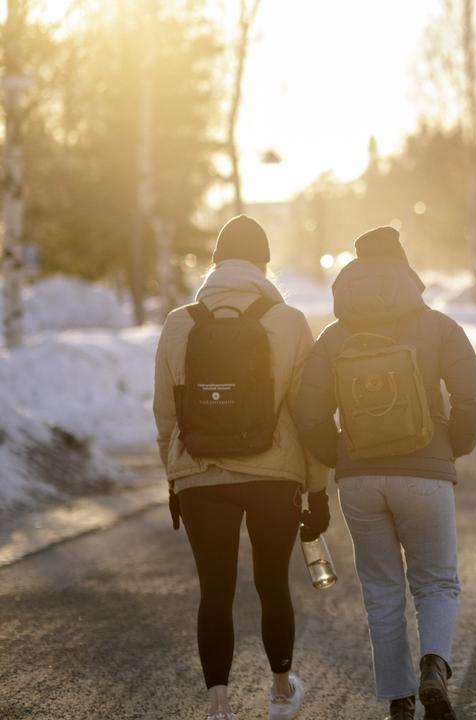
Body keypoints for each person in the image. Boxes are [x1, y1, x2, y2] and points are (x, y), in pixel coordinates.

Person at [294, 226, 476, 720]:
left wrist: (339, 456)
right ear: (405, 270)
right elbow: (472, 395)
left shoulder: (334, 337)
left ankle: (398, 700)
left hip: (360, 479)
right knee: (436, 580)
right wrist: (453, 445)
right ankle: (434, 667)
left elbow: (309, 410)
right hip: (426, 472)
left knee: (381, 588)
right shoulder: (439, 326)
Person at [153, 215, 331, 720]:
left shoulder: (178, 323)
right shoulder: (290, 322)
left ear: (214, 265)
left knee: (216, 590)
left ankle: (218, 705)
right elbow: (309, 413)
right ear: (263, 265)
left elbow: (166, 413)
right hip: (273, 478)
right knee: (273, 582)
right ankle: (279, 693)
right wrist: (317, 490)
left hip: (200, 478)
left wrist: (176, 475)